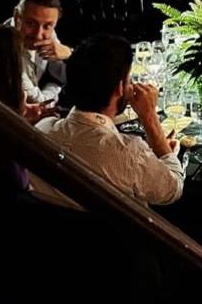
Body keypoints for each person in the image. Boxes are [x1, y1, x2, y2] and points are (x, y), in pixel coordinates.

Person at [32, 34, 183, 208]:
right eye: (129, 78)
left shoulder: (41, 131)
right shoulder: (129, 155)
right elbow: (173, 189)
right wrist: (151, 121)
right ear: (120, 87)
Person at [9, 0, 71, 110]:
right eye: (31, 23)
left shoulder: (48, 32)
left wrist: (69, 53)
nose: (38, 34)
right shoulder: (5, 48)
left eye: (48, 26)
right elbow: (40, 103)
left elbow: (63, 75)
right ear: (17, 16)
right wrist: (57, 85)